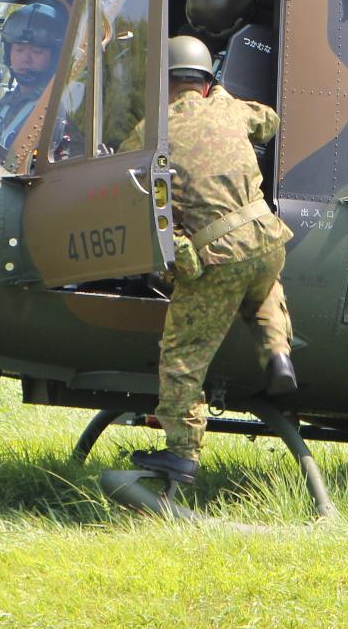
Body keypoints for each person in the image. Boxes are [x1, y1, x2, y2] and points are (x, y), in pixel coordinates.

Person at [127, 35, 296, 485]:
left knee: (183, 355)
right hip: (266, 238)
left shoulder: (152, 129)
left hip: (218, 254)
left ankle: (181, 454)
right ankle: (277, 353)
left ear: (164, 84)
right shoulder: (229, 109)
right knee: (263, 291)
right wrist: (223, 99)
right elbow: (270, 121)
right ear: (206, 82)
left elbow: (126, 174)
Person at [0, 0, 65, 147]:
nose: (26, 59)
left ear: (54, 57)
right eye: (19, 50)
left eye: (37, 51)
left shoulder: (55, 108)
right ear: (9, 54)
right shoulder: (5, 103)